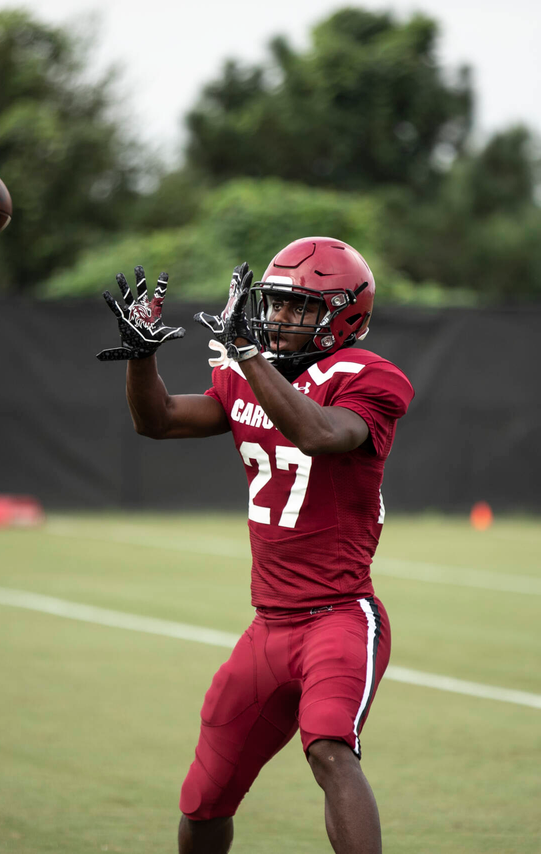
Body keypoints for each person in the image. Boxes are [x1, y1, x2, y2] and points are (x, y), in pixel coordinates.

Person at [96, 236, 414, 854]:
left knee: (328, 749)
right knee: (205, 798)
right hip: (267, 629)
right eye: (273, 305)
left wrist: (248, 356)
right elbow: (157, 419)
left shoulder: (370, 378)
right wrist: (142, 358)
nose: (277, 320)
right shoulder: (247, 372)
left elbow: (319, 433)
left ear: (344, 317)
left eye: (299, 309)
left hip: (340, 617)